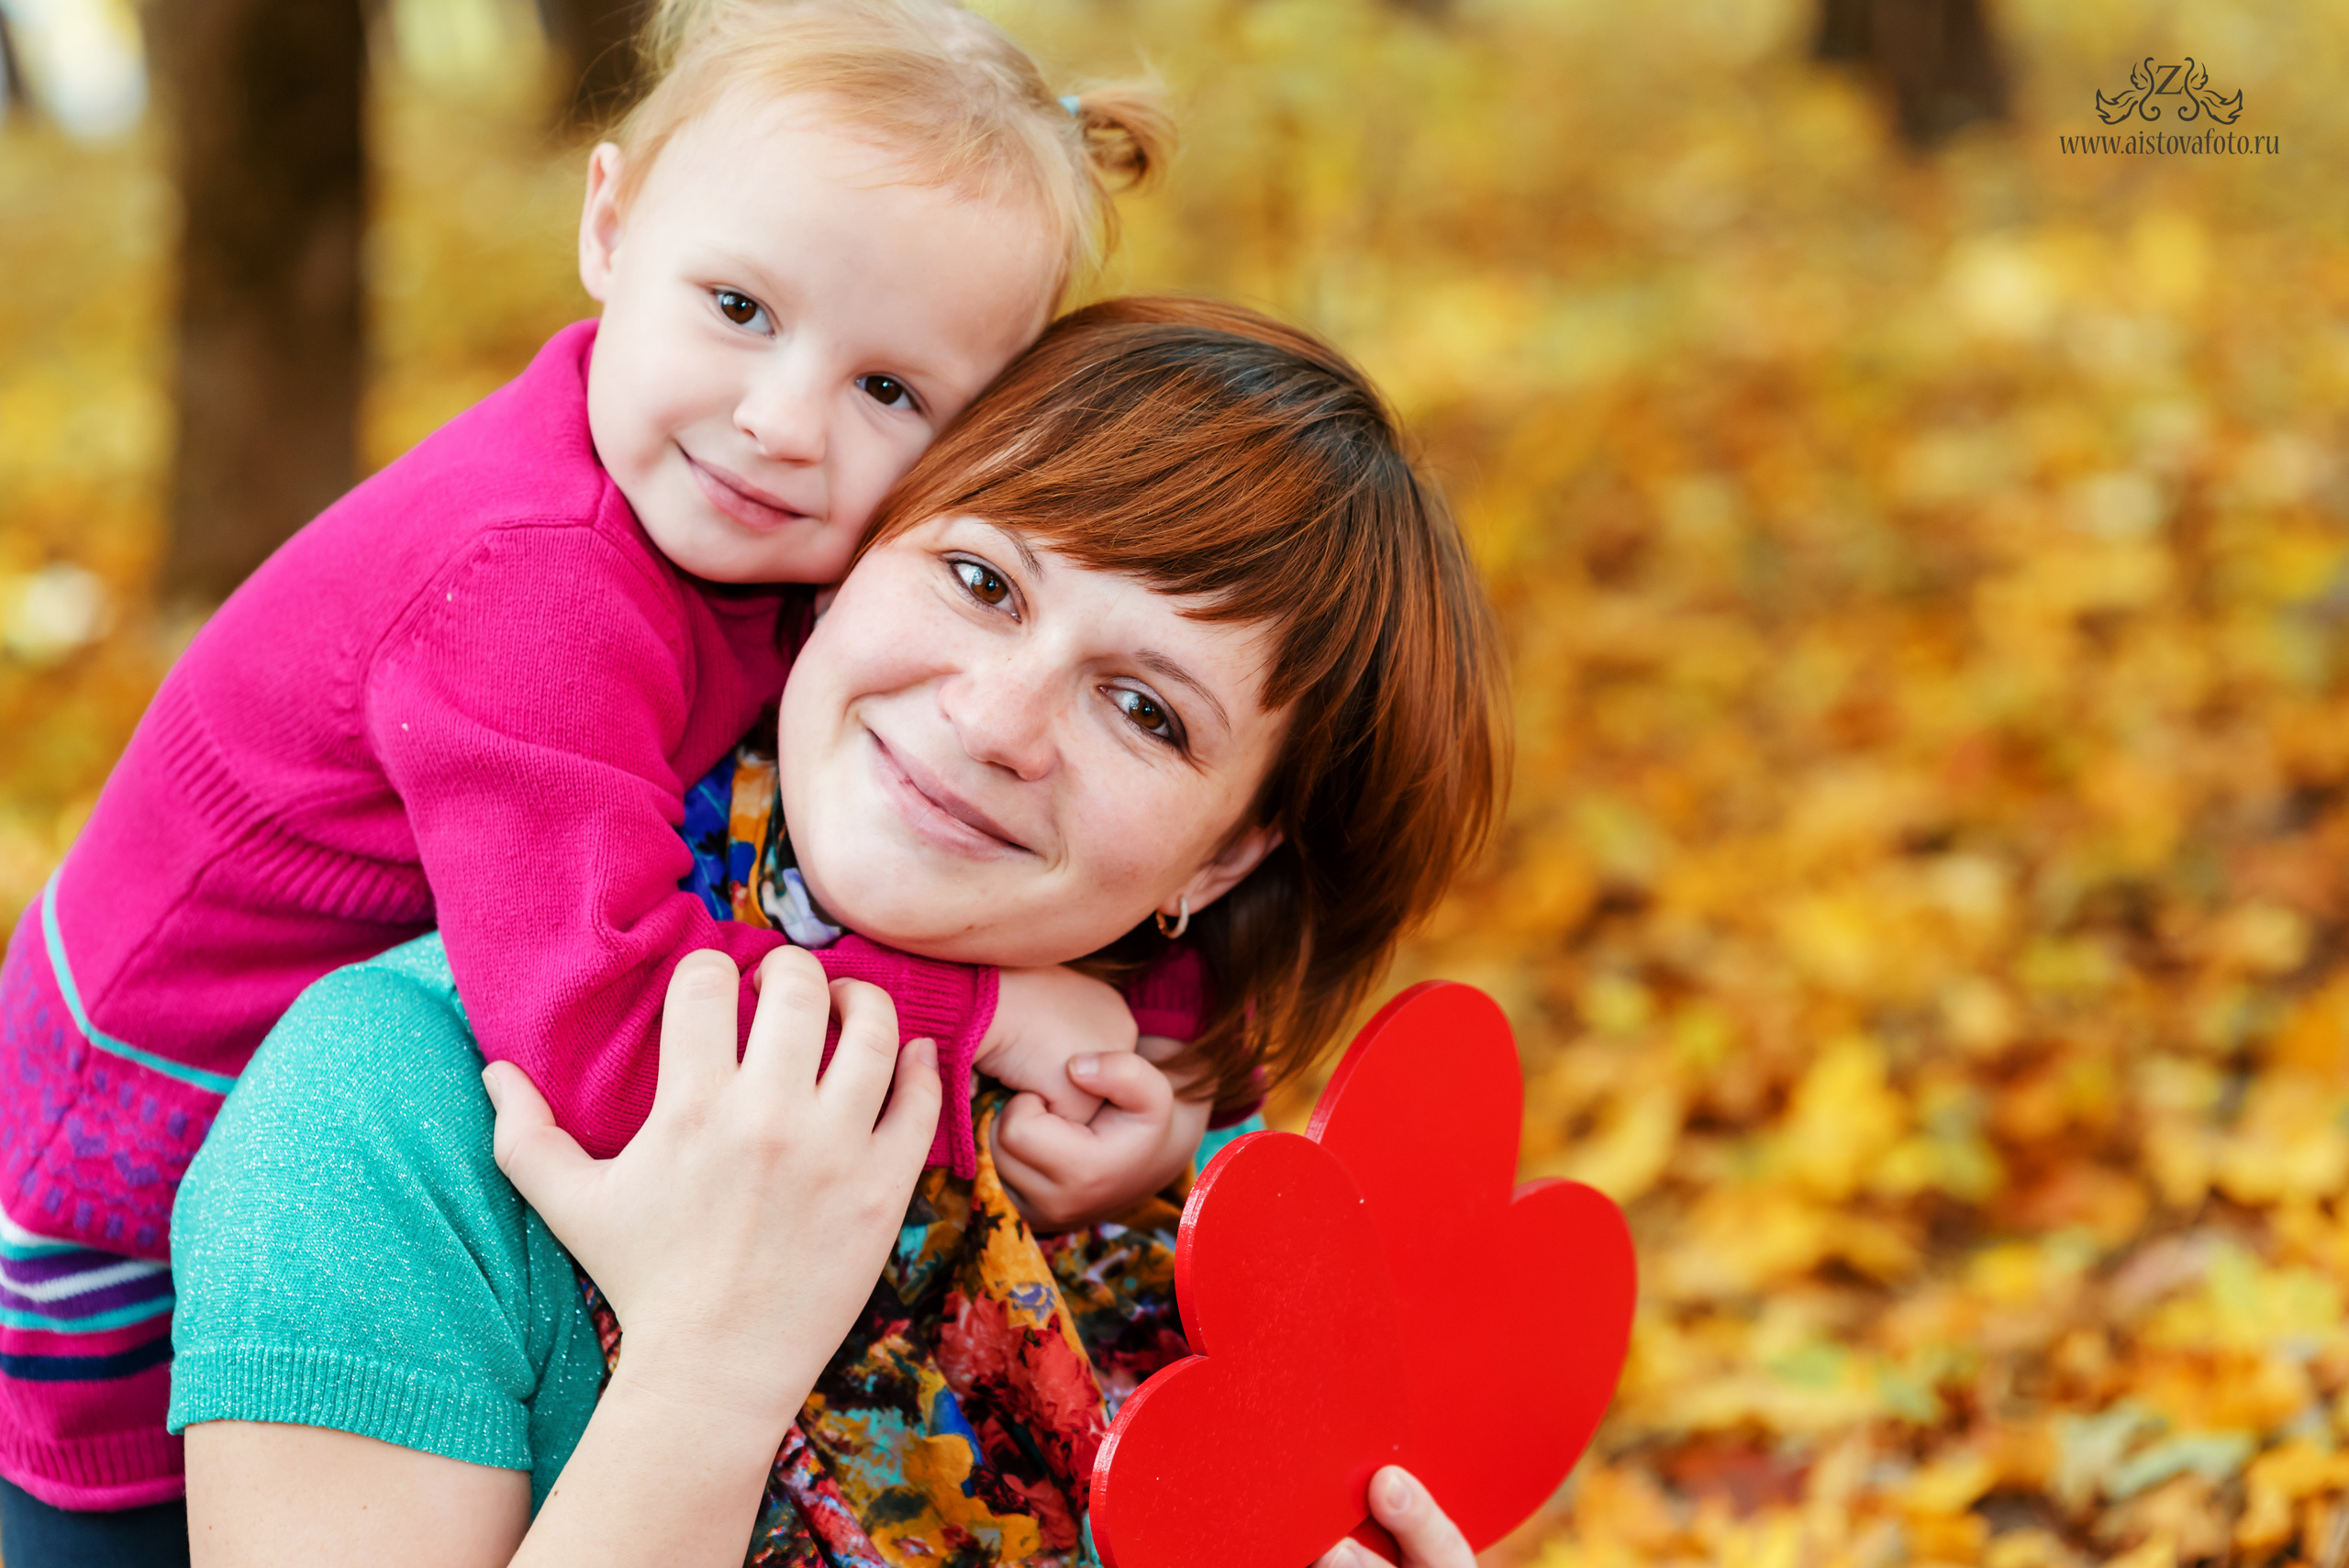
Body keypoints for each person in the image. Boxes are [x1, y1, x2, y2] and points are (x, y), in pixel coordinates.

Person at [0, 0, 1183, 1545]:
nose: (780, 422)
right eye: (741, 307)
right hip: (136, 1188)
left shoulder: (732, 521)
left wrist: (1158, 1065)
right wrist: (990, 1019)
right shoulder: (532, 589)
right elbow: (612, 1033)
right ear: (610, 225)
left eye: (891, 392)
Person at [168, 299, 1510, 1564]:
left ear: (1221, 857)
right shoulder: (399, 1115)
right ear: (852, 561)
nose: (994, 719)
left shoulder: (1208, 1209)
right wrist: (713, 1368)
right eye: (982, 579)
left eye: (1144, 711)